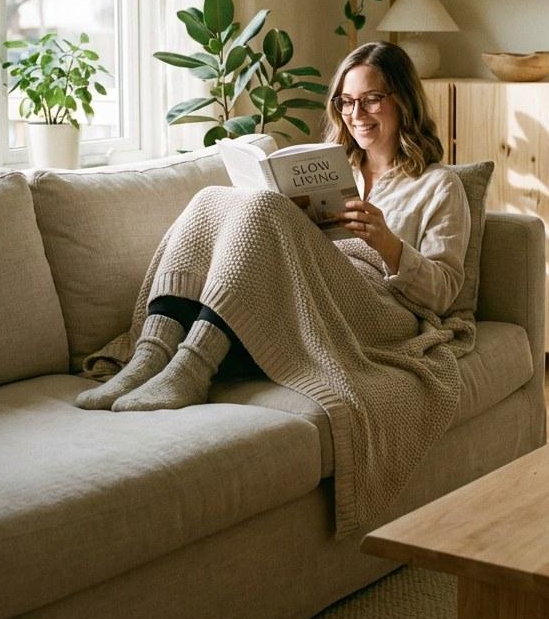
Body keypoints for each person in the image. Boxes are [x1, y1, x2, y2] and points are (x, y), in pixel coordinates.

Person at [75, 40, 471, 415]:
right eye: (347, 102)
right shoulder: (336, 168)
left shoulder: (438, 185)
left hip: (384, 310)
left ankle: (191, 370)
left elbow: (444, 292)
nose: (356, 114)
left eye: (371, 99)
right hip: (317, 290)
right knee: (213, 197)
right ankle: (150, 356)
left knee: (264, 208)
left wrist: (388, 244)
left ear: (403, 100)